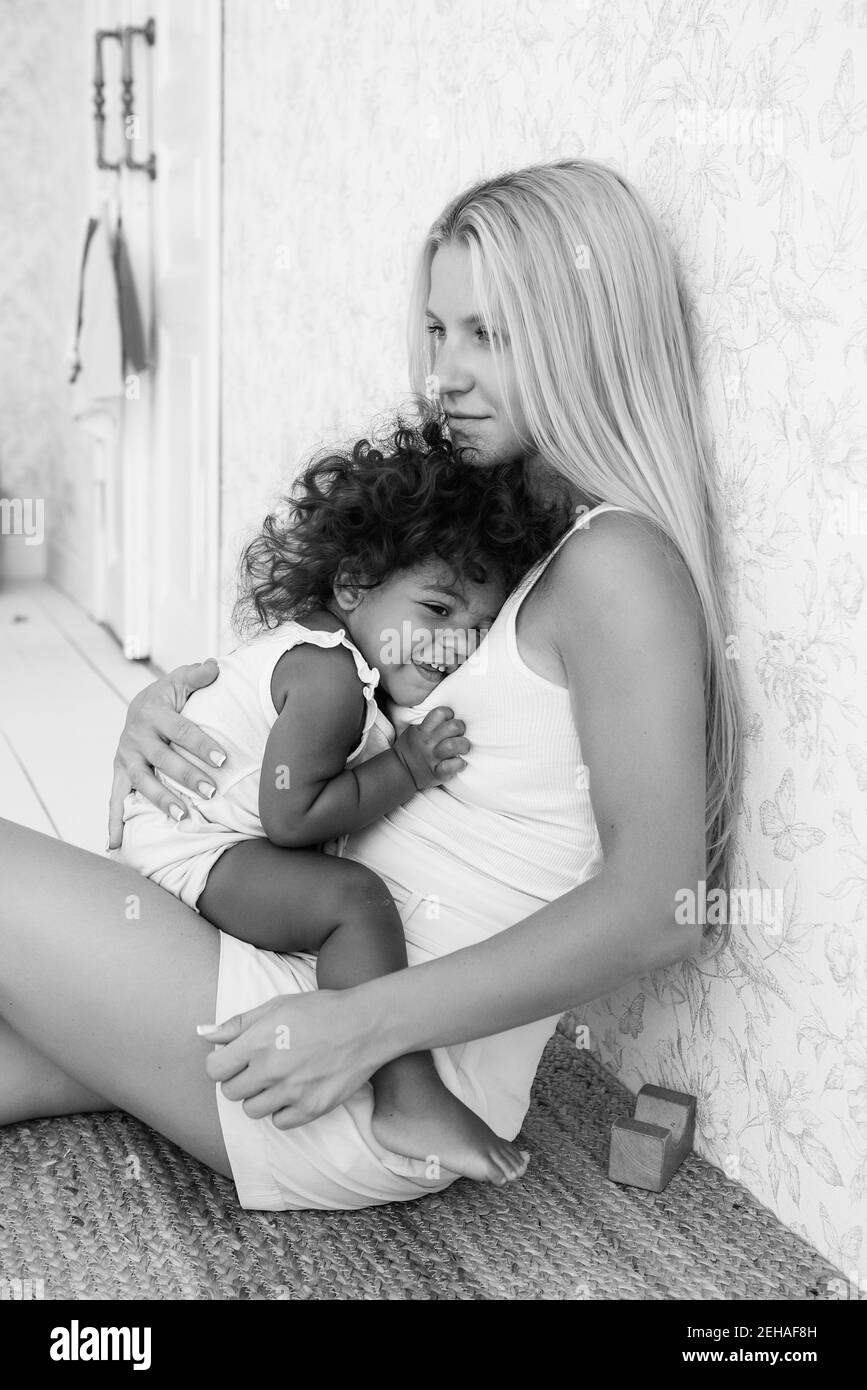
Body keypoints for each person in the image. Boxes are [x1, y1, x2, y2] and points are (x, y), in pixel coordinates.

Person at [0, 158, 744, 1212]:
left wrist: (364, 1026)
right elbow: (319, 675)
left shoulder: (617, 566)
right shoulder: (483, 528)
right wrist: (159, 712)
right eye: (439, 332)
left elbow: (663, 907)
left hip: (375, 1061)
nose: (447, 373)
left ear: (588, 337)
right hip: (295, 960)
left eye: (489, 334)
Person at [111, 420, 569, 1184]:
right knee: (354, 901)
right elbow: (293, 817)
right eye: (436, 609)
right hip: (190, 847)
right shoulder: (330, 684)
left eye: (479, 628)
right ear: (353, 585)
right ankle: (407, 1090)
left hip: (191, 834)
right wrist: (409, 769)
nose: (456, 644)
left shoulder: (335, 653)